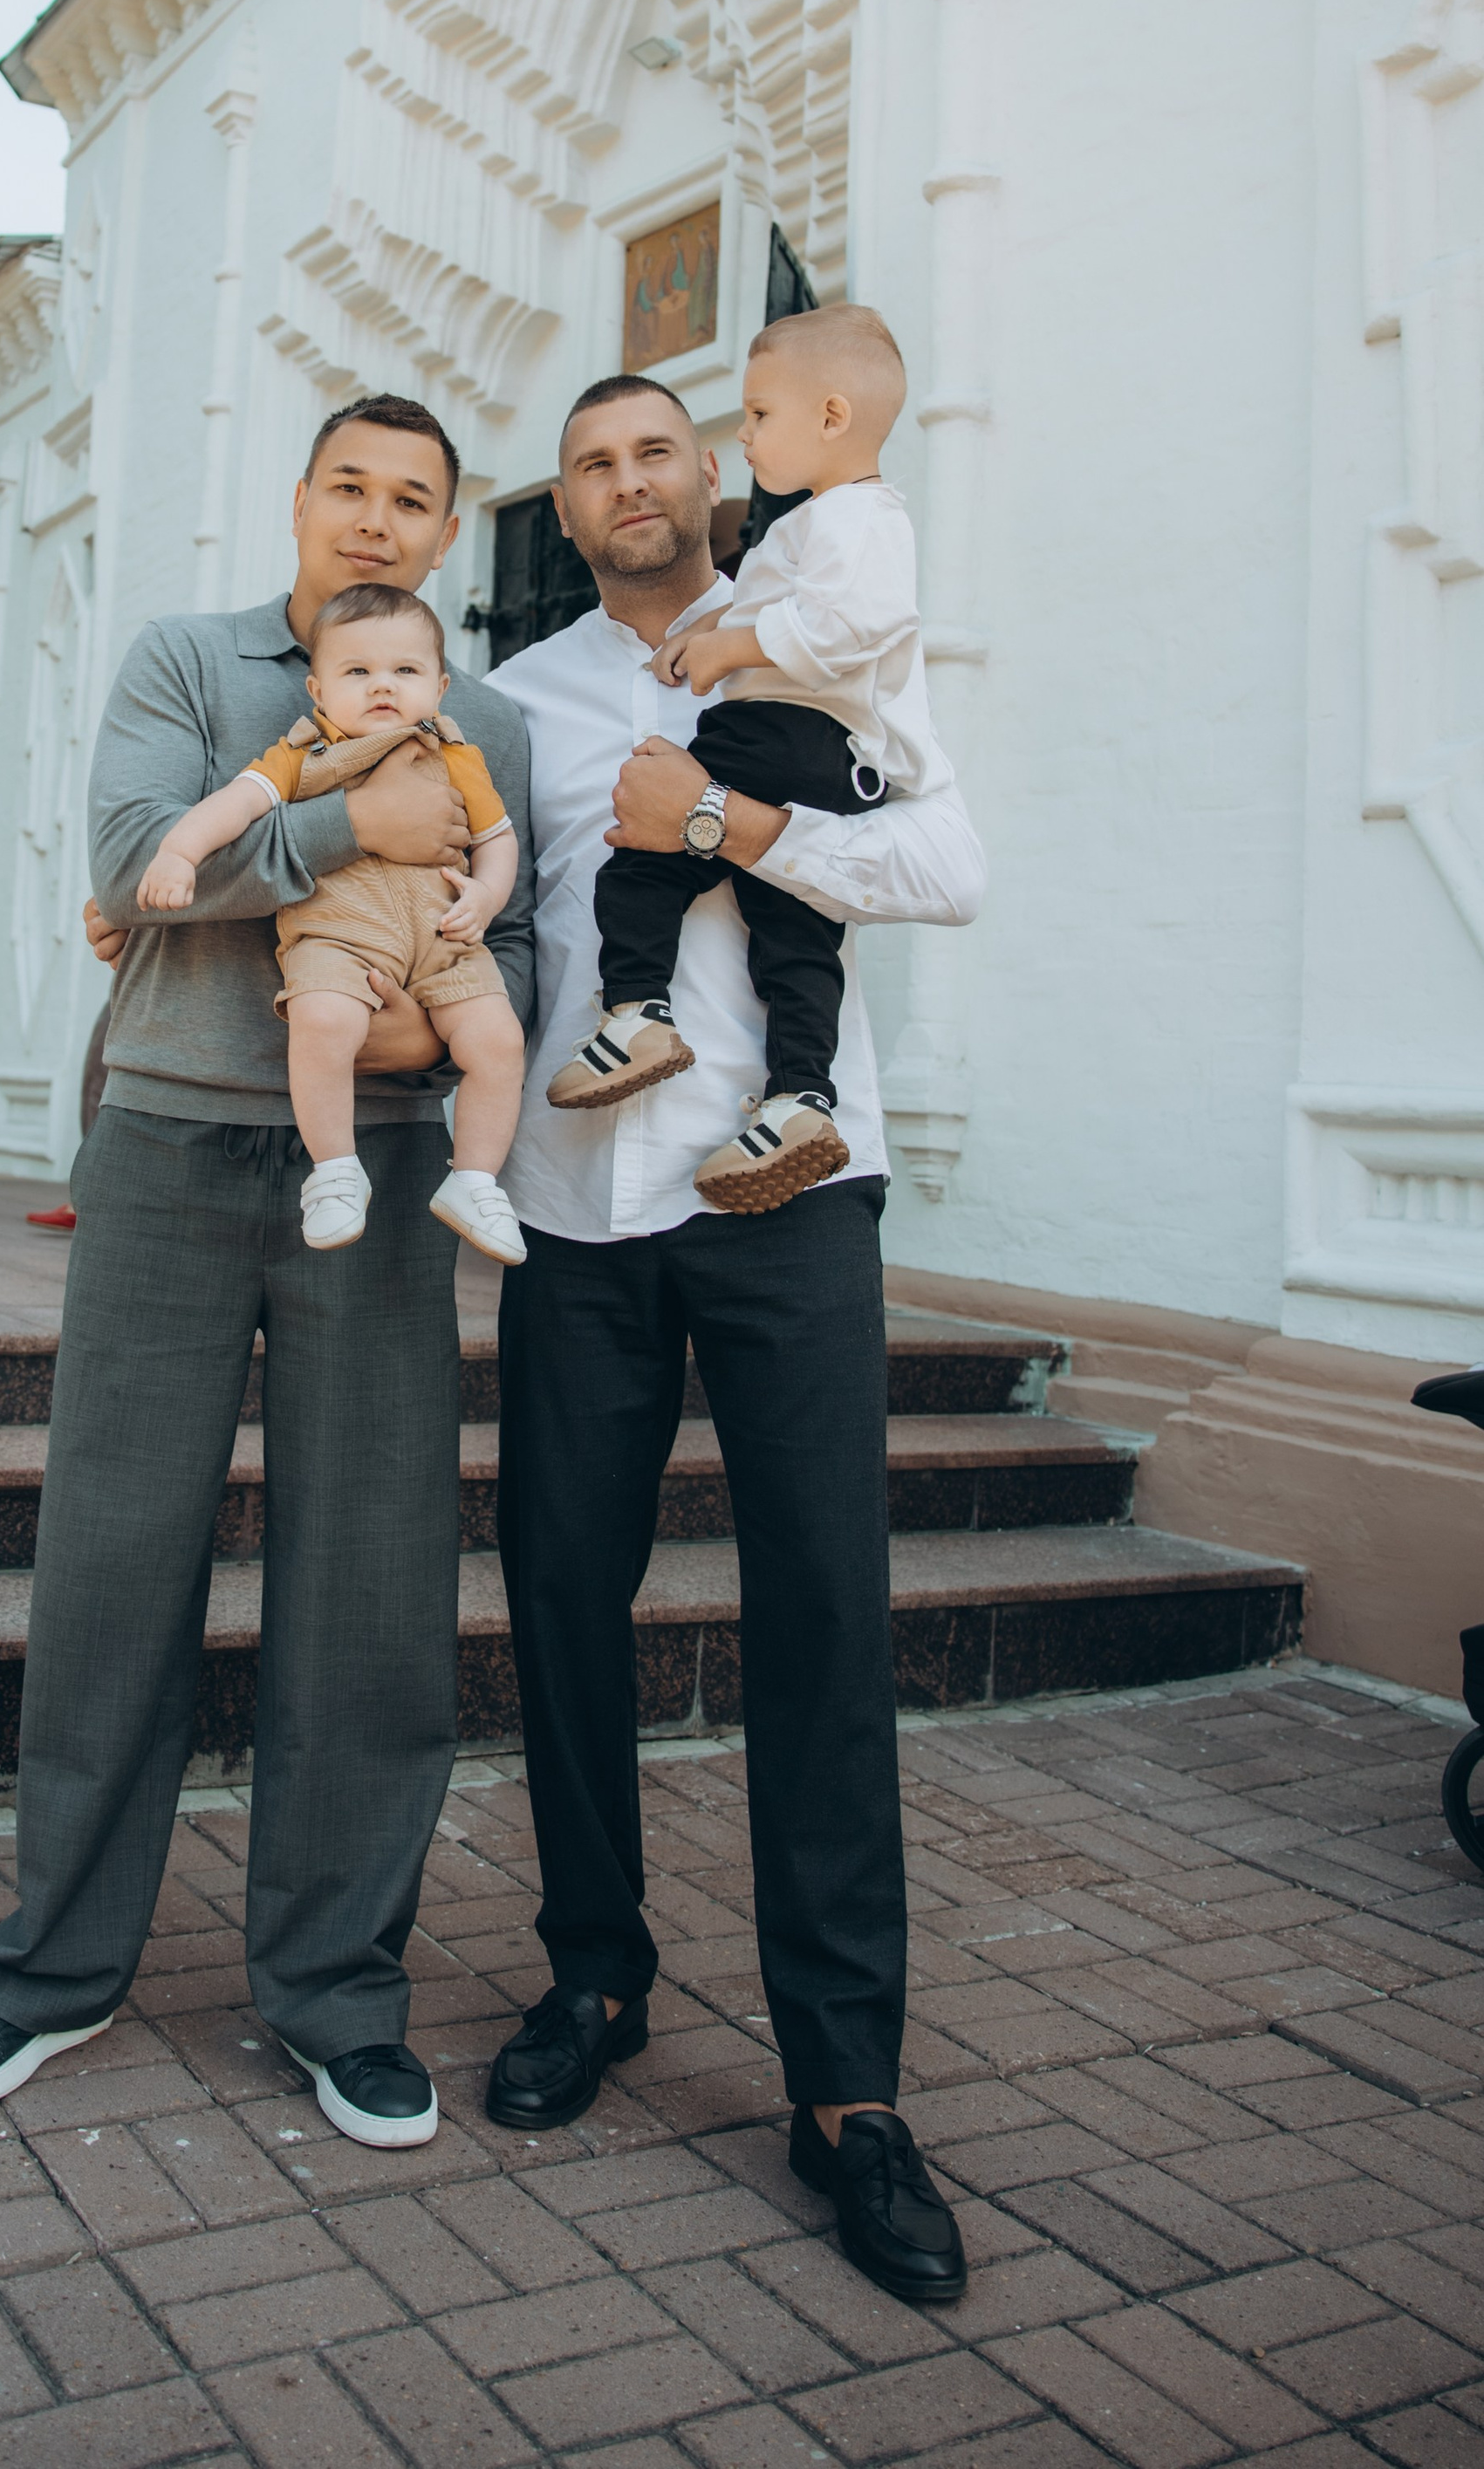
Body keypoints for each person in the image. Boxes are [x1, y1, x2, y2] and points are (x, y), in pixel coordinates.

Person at [0, 393, 532, 2150]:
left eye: (414, 500)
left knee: (371, 1587)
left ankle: (337, 1995)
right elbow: (126, 867)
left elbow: (516, 946)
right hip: (171, 1149)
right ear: (303, 499)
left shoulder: (487, 725)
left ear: (445, 530)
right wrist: (344, 842)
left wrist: (361, 938)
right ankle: (44, 1975)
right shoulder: (187, 664)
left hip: (384, 1171)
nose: (377, 522)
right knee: (111, 1563)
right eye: (350, 488)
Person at [482, 372, 983, 2310]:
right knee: (557, 1598)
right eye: (592, 464)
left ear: (715, 477)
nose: (628, 484)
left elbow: (942, 870)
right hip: (576, 1209)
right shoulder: (515, 701)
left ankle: (846, 2090)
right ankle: (593, 1969)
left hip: (791, 1199)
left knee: (822, 1621)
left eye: (657, 452)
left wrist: (730, 819)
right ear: (568, 503)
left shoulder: (844, 633)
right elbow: (482, 931)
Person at [549, 306, 938, 1215]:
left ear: (831, 418)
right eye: (595, 465)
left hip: (776, 735)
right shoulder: (824, 524)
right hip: (823, 759)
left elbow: (848, 629)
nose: (750, 430)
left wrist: (728, 646)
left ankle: (637, 1015)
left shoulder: (852, 518)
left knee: (641, 861)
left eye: (758, 414)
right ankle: (800, 1096)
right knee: (798, 938)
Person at [138, 582, 525, 1262]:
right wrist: (178, 851)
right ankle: (336, 1171)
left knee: (498, 1041)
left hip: (444, 936)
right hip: (340, 936)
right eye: (358, 672)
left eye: (405, 671)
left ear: (438, 687)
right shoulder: (303, 753)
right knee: (324, 1022)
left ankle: (474, 1179)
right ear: (318, 691)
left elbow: (497, 837)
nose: (383, 686)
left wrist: (486, 899)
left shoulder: (457, 754)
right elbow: (235, 806)